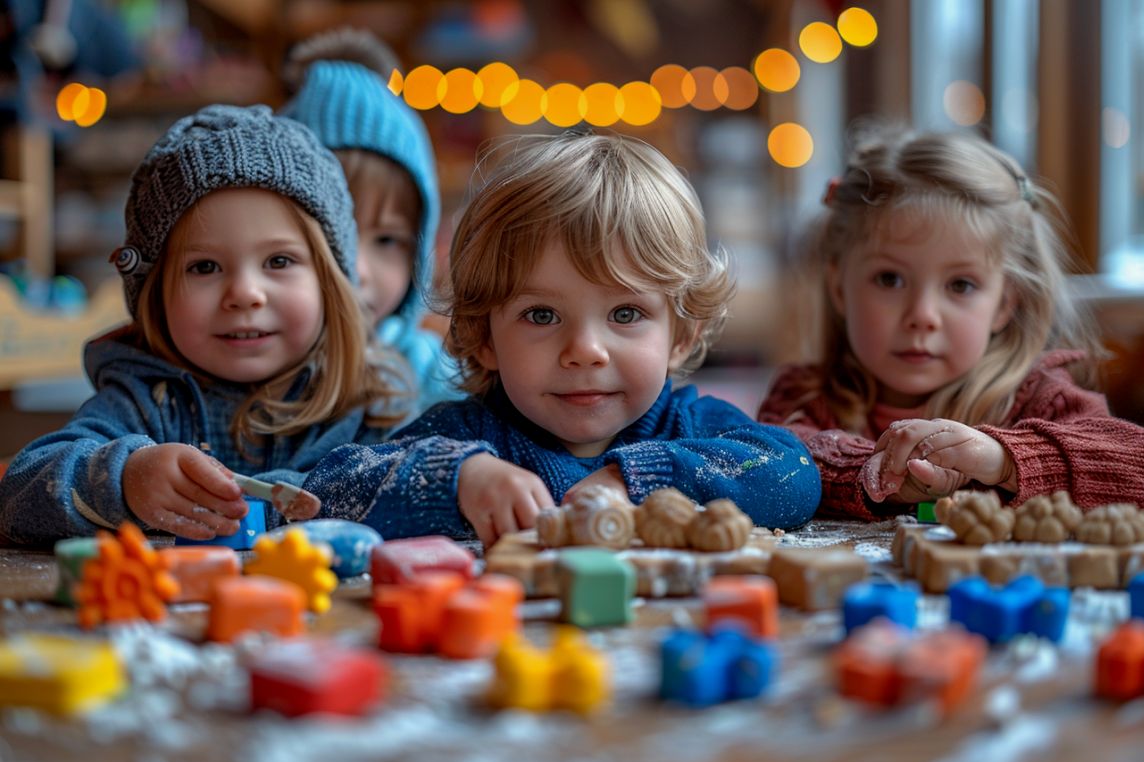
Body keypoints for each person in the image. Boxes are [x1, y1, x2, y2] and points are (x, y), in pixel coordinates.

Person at [303, 132, 821, 546]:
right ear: (483, 336)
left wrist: (639, 480)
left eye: (625, 312)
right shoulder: (466, 438)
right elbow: (329, 490)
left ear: (680, 337)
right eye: (542, 315)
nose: (585, 351)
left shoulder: (689, 430)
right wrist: (460, 478)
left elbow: (792, 472)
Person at [0, 104, 412, 547]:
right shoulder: (144, 401)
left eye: (279, 260)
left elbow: (415, 493)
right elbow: (17, 498)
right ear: (155, 294)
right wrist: (123, 479)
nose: (245, 293)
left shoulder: (370, 404)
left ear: (331, 282)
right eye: (204, 267)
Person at [757, 122, 1144, 521]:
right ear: (839, 287)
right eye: (889, 279)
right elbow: (773, 466)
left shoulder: (1036, 400)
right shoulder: (806, 397)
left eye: (961, 286)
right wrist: (881, 474)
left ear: (1006, 302)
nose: (922, 317)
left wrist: (1007, 459)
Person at [281, 27, 460, 411]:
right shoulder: (240, 369)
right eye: (332, 235)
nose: (357, 268)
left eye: (388, 241)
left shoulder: (439, 383)